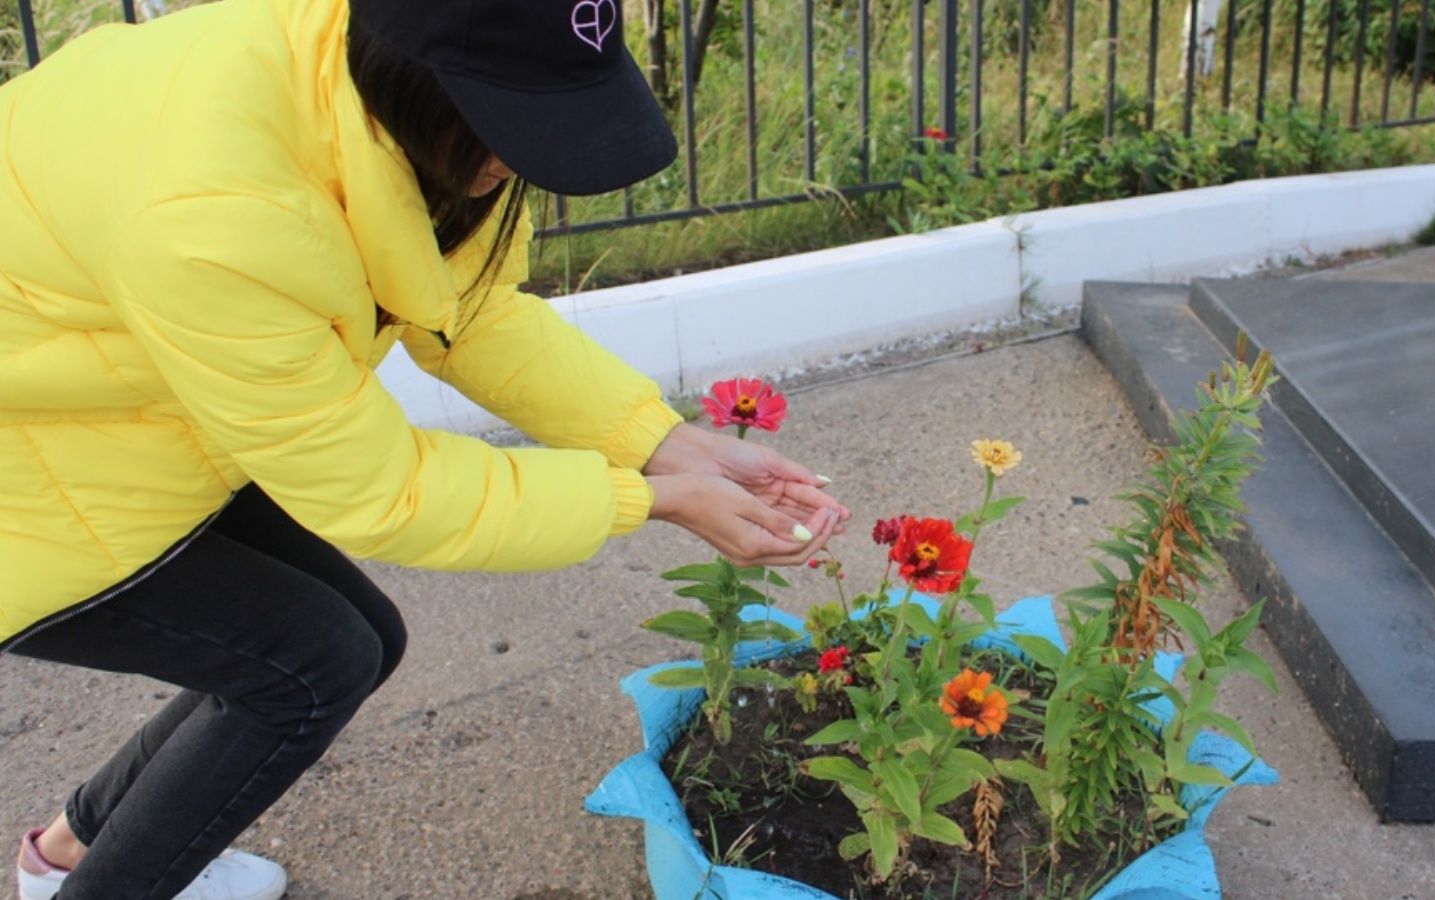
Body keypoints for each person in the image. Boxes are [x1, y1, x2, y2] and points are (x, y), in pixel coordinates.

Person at [0, 0, 850, 897]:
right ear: (415, 81)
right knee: (312, 668)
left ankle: (66, 852)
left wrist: (662, 443)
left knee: (357, 641)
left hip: (124, 417)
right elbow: (382, 493)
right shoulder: (216, 217)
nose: (513, 161)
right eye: (504, 128)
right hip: (29, 485)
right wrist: (649, 499)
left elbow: (468, 309)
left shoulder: (352, 81)